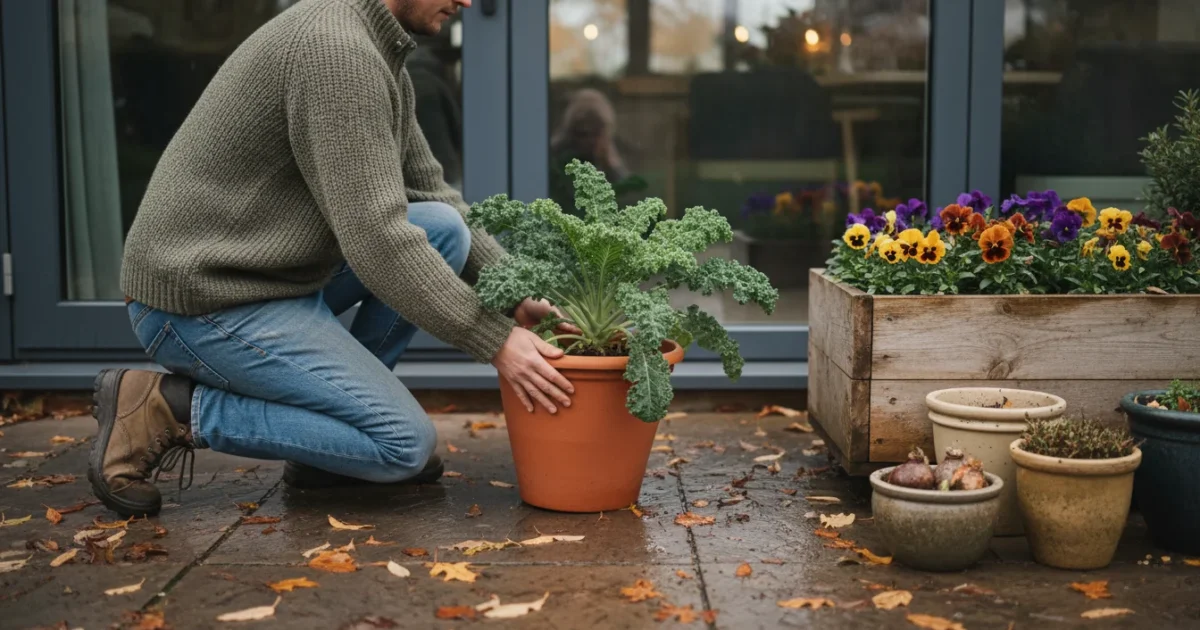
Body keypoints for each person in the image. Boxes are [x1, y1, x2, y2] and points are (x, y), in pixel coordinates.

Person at [90, 0, 574, 518]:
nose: (468, 3)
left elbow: (432, 192)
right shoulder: (337, 53)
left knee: (441, 227)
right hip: (202, 300)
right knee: (401, 445)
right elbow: (377, 239)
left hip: (264, 276)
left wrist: (514, 293)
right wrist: (495, 339)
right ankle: (169, 410)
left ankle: (330, 451)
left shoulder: (373, 47)